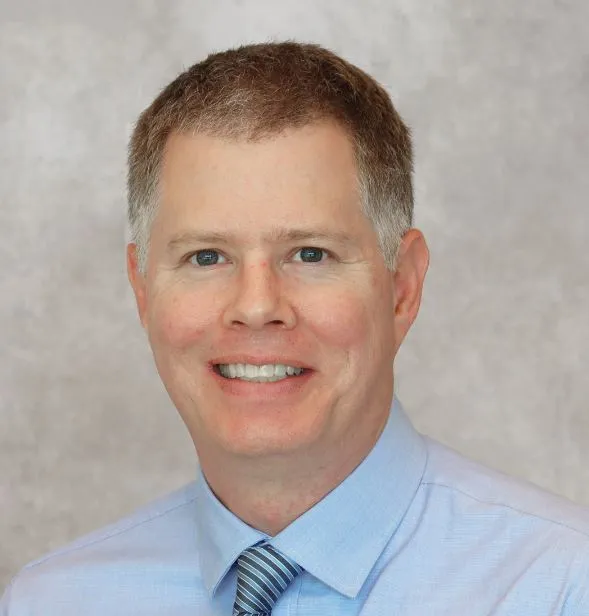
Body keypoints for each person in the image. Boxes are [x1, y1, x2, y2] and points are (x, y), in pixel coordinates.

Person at [2, 41, 588, 616]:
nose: (257, 307)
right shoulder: (52, 603)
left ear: (402, 287)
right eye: (206, 257)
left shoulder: (562, 587)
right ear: (142, 289)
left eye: (310, 254)